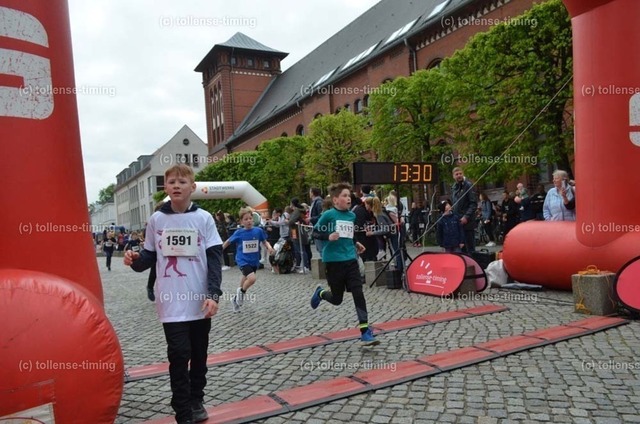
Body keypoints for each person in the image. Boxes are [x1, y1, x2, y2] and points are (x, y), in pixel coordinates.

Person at [124, 164, 223, 424]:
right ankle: (182, 411)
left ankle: (196, 399)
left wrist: (213, 294)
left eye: (182, 181)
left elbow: (215, 258)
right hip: (170, 302)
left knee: (199, 354)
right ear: (166, 188)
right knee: (179, 354)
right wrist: (134, 260)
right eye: (171, 182)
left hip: (200, 301)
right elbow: (148, 257)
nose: (176, 186)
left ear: (193, 187)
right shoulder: (156, 220)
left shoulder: (204, 218)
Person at [310, 182, 380, 346]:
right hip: (333, 261)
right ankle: (321, 293)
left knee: (358, 293)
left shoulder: (351, 216)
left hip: (350, 260)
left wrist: (356, 243)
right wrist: (328, 236)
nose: (348, 198)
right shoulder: (328, 215)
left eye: (349, 196)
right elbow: (315, 233)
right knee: (337, 299)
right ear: (335, 200)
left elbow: (348, 234)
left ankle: (365, 331)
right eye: (344, 196)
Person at [223, 207, 274, 312]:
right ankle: (241, 293)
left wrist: (269, 248)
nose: (249, 221)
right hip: (242, 260)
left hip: (254, 261)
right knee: (252, 279)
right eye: (246, 219)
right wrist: (220, 249)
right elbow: (228, 241)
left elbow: (264, 241)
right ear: (241, 221)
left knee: (245, 278)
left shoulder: (258, 231)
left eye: (250, 218)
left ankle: (235, 300)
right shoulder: (239, 232)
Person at [364, 197, 400, 269]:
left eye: (366, 204)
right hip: (394, 233)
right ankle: (399, 267)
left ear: (369, 205)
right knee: (396, 251)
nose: (365, 206)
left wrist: (372, 233)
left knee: (396, 252)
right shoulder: (381, 211)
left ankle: (399, 269)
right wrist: (372, 227)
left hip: (393, 234)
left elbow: (385, 229)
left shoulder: (378, 214)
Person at [450, 167, 478, 253]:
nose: (459, 176)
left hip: (467, 222)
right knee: (461, 248)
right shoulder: (454, 188)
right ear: (453, 176)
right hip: (458, 221)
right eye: (457, 174)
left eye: (460, 174)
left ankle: (472, 261)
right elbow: (454, 204)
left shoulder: (468, 185)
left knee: (470, 247)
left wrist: (466, 216)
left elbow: (473, 203)